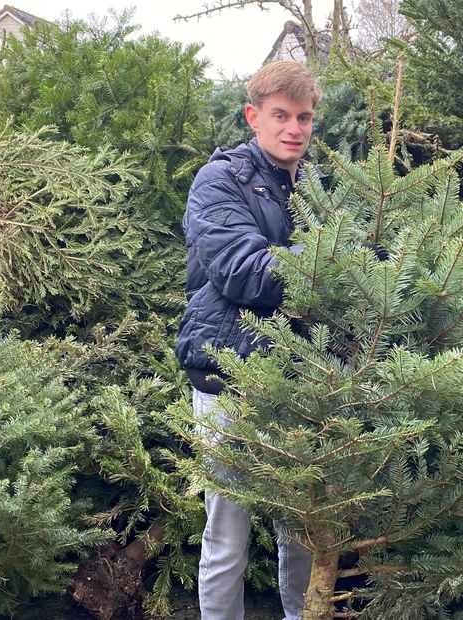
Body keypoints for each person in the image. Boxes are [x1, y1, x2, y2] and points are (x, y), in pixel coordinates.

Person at [174, 61, 320, 620]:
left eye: (304, 118)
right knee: (228, 534)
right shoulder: (218, 181)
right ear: (253, 116)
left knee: (301, 528)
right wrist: (337, 262)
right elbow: (242, 272)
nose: (294, 128)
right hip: (228, 374)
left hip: (298, 374)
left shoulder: (314, 185)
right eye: (281, 116)